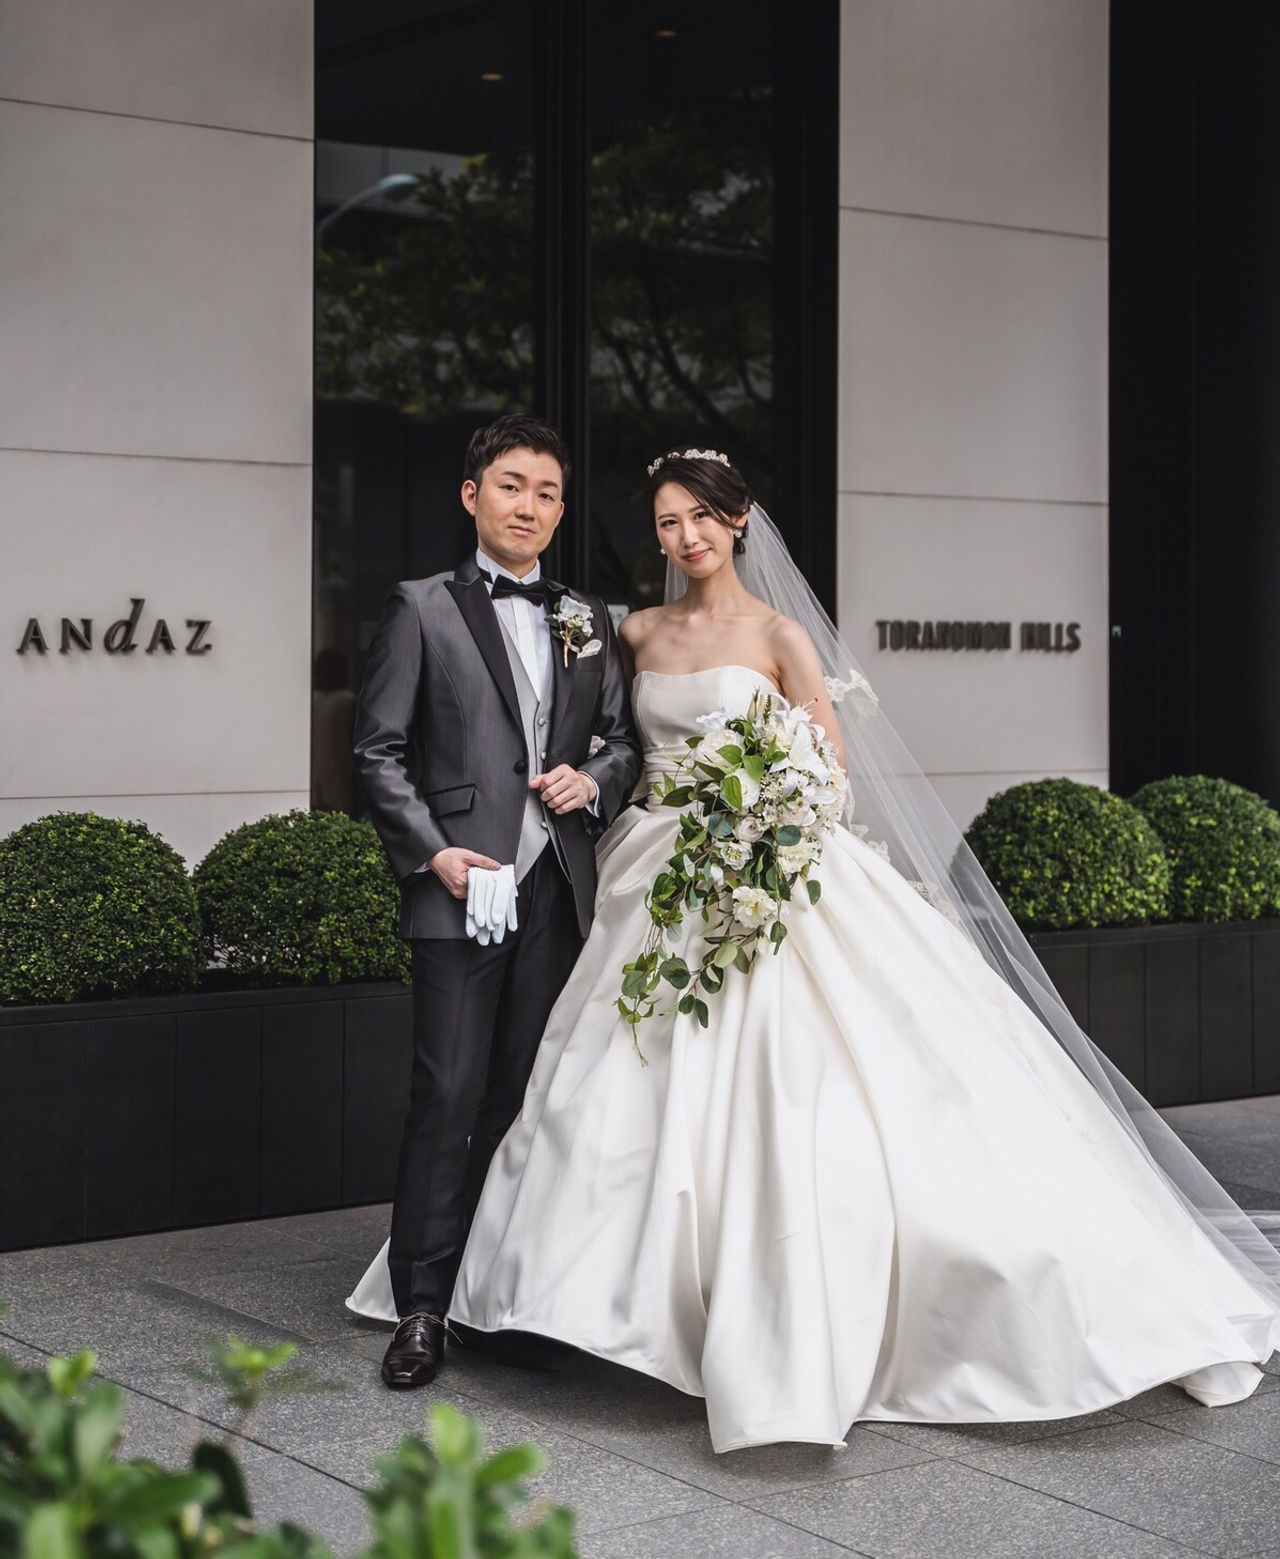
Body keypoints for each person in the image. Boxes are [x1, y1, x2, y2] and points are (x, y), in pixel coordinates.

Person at [350, 447, 1280, 1452]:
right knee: (594, 1089)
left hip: (768, 868)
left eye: (701, 517)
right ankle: (547, 1298)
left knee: (801, 1088)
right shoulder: (630, 630)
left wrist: (760, 819)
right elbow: (611, 744)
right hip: (648, 873)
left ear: (738, 520)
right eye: (666, 521)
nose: (685, 536)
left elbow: (828, 769)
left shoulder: (781, 634)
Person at [350, 414, 641, 1390]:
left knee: (519, 1098)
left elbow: (621, 740)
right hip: (461, 885)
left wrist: (592, 779)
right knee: (446, 1092)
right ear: (471, 495)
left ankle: (489, 1291)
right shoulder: (420, 606)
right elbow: (376, 752)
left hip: (555, 888)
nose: (530, 506)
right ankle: (421, 1307)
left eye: (547, 492)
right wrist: (434, 854)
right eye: (512, 485)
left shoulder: (584, 615)